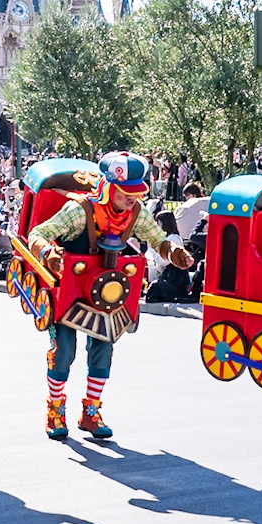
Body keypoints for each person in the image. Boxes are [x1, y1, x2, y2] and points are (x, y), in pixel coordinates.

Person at [28, 152, 193, 440]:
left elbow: (157, 239)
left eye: (136, 192)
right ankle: (54, 408)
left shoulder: (137, 213)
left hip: (108, 292)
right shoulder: (79, 210)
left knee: (104, 349)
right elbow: (39, 232)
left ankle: (91, 411)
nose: (132, 198)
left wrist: (173, 252)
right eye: (126, 192)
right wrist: (49, 252)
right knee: (64, 352)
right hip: (70, 290)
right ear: (108, 188)